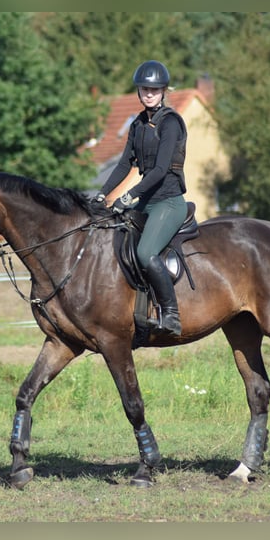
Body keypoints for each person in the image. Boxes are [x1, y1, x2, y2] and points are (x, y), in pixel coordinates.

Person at [92, 60, 188, 335]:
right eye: (145, 88)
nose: (149, 93)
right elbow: (124, 165)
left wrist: (129, 195)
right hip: (146, 202)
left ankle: (171, 314)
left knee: (145, 252)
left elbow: (159, 171)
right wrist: (102, 195)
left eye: (155, 89)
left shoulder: (170, 123)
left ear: (164, 91)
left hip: (168, 202)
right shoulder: (137, 124)